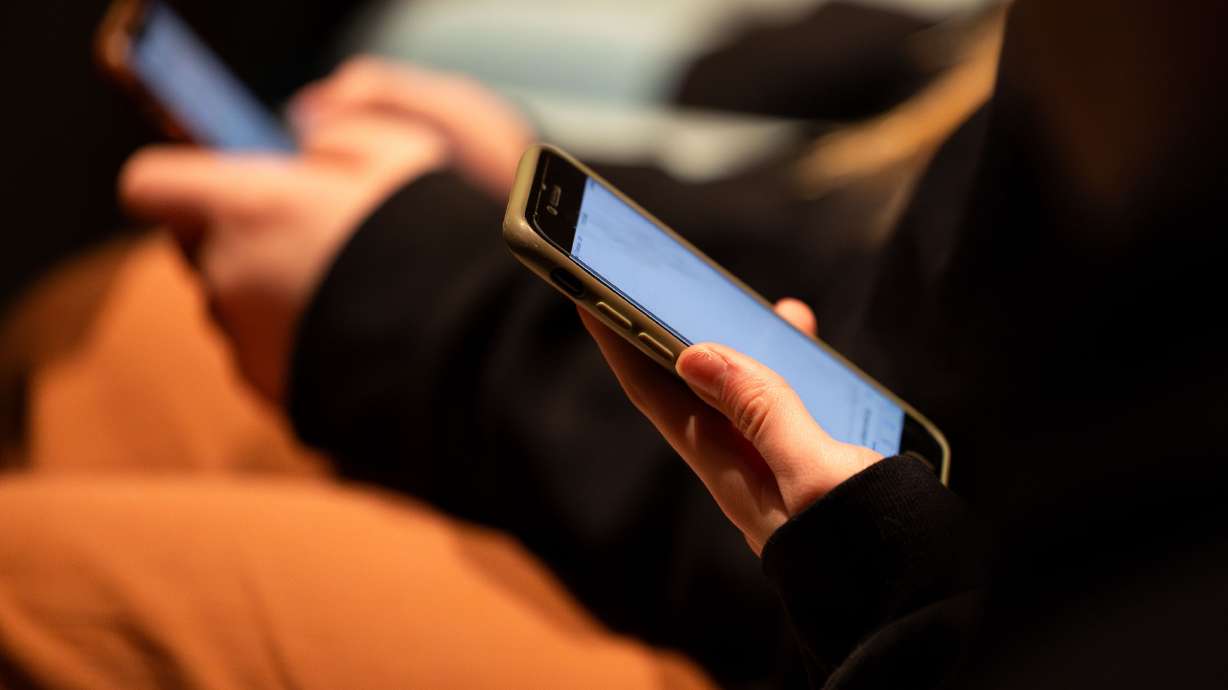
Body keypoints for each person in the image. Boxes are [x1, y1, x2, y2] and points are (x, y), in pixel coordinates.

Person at [113, 0, 1228, 688]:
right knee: (127, 326)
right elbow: (928, 231)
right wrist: (553, 190)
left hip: (832, 623)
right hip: (833, 537)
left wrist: (402, 299)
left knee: (60, 571)